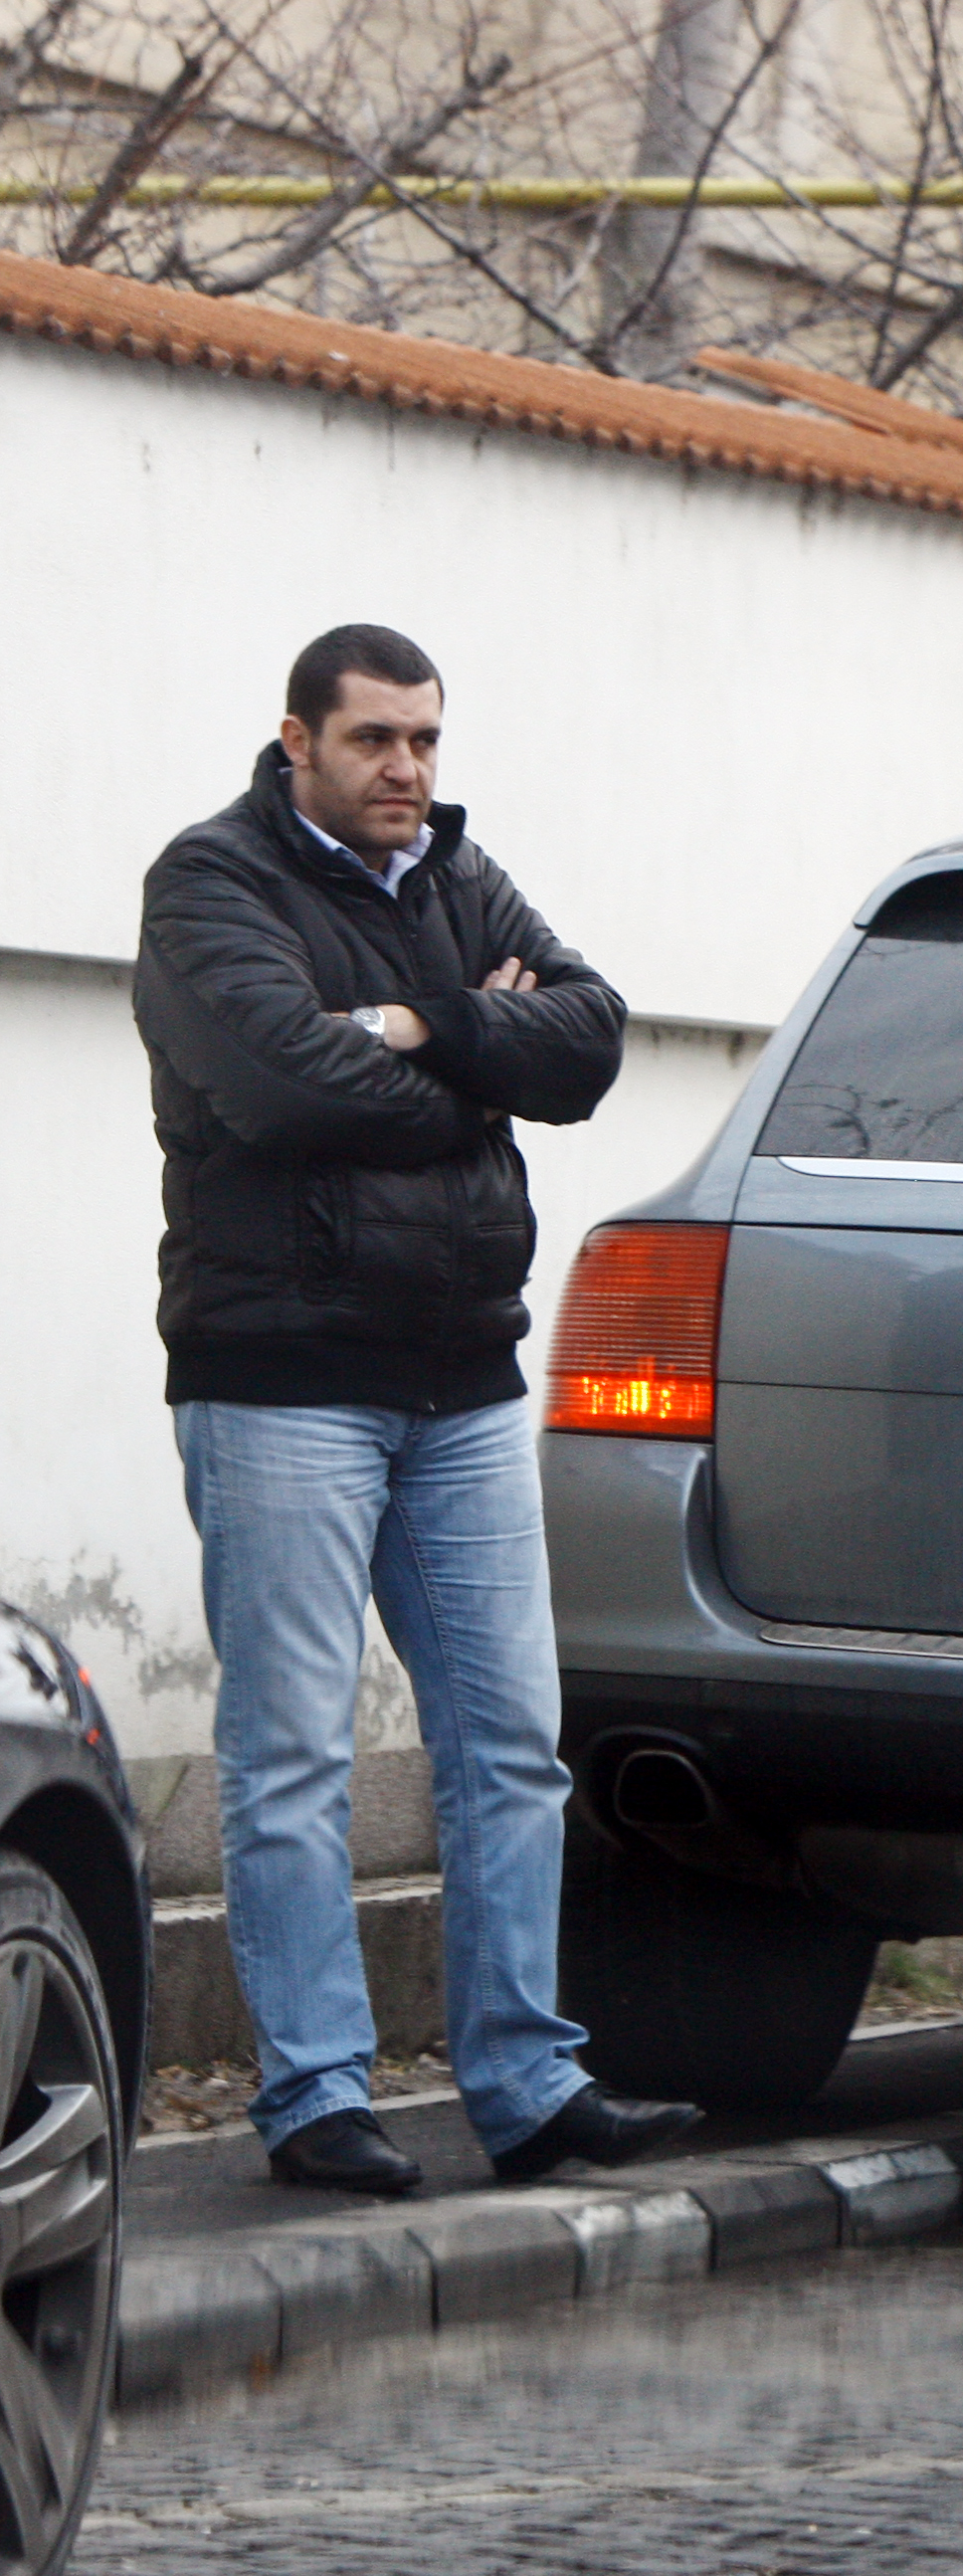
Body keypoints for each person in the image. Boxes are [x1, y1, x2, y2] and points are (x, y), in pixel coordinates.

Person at [135, 625, 700, 2197]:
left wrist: (411, 1020)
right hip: (283, 1381)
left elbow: (588, 1040)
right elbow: (287, 1086)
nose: (406, 769)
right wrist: (477, 1045)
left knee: (512, 1745)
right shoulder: (210, 886)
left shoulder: (456, 870)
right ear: (297, 742)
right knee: (293, 1756)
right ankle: (317, 2095)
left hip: (461, 1379)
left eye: (425, 740)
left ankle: (525, 2083)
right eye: (374, 739)